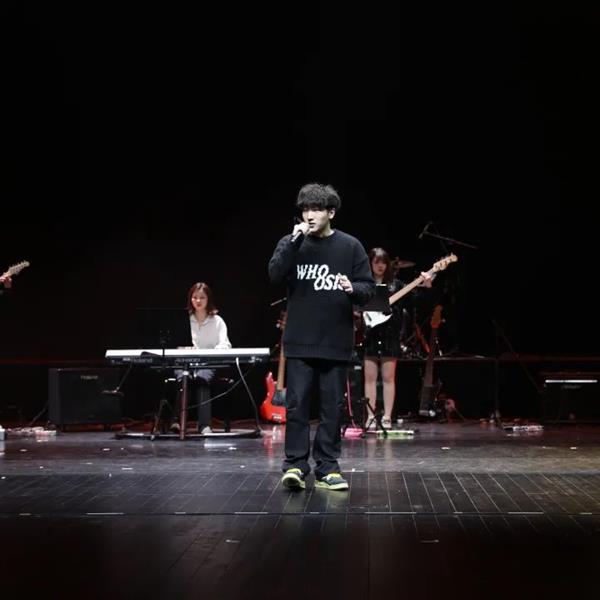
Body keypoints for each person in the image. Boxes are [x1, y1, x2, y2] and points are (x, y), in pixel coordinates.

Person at [269, 183, 375, 491]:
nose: (309, 215)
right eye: (305, 209)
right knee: (296, 407)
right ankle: (295, 466)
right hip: (299, 341)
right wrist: (293, 242)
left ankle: (328, 467)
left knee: (332, 409)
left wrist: (352, 288)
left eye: (316, 209)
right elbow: (274, 275)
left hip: (335, 341)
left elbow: (368, 289)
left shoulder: (350, 246)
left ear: (331, 212)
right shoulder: (292, 242)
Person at [361, 248, 432, 431]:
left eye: (384, 262)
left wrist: (426, 285)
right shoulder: (364, 284)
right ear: (370, 263)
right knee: (369, 378)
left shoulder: (396, 285)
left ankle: (386, 417)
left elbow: (415, 300)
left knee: (389, 378)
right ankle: (370, 416)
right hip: (370, 335)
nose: (380, 266)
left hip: (390, 336)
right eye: (377, 262)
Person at [171, 282, 232, 435]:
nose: (198, 301)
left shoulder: (217, 321)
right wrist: (184, 349)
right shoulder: (184, 320)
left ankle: (204, 425)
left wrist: (209, 352)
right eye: (195, 297)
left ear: (208, 299)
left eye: (202, 297)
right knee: (183, 377)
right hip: (185, 362)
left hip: (208, 363)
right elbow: (175, 345)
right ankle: (177, 422)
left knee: (202, 378)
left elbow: (225, 345)